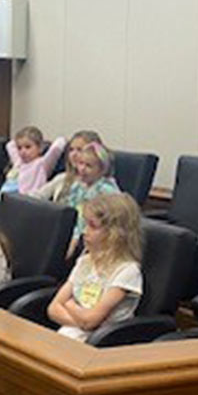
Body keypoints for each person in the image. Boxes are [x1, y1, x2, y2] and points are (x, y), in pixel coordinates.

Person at [48, 193, 144, 341]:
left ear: (115, 234)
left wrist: (70, 305)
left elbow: (91, 320)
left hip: (100, 344)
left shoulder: (128, 271)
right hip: (71, 335)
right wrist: (82, 321)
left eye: (93, 226)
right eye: (85, 224)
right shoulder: (85, 262)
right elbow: (53, 309)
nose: (84, 232)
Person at [61, 141, 122, 258]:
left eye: (88, 166)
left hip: (96, 239)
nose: (82, 169)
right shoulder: (77, 186)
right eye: (80, 164)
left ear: (102, 169)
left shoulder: (107, 191)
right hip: (73, 233)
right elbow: (70, 212)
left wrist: (76, 238)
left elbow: (109, 224)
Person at [37, 129, 103, 203]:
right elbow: (37, 196)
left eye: (79, 150)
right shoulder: (62, 178)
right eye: (71, 150)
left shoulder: (101, 186)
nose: (73, 154)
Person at [0, 126, 66, 197]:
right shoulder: (18, 161)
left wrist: (45, 145)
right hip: (5, 197)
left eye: (28, 147)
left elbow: (58, 145)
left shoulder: (42, 164)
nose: (23, 151)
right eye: (19, 148)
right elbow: (9, 145)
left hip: (26, 200)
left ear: (40, 148)